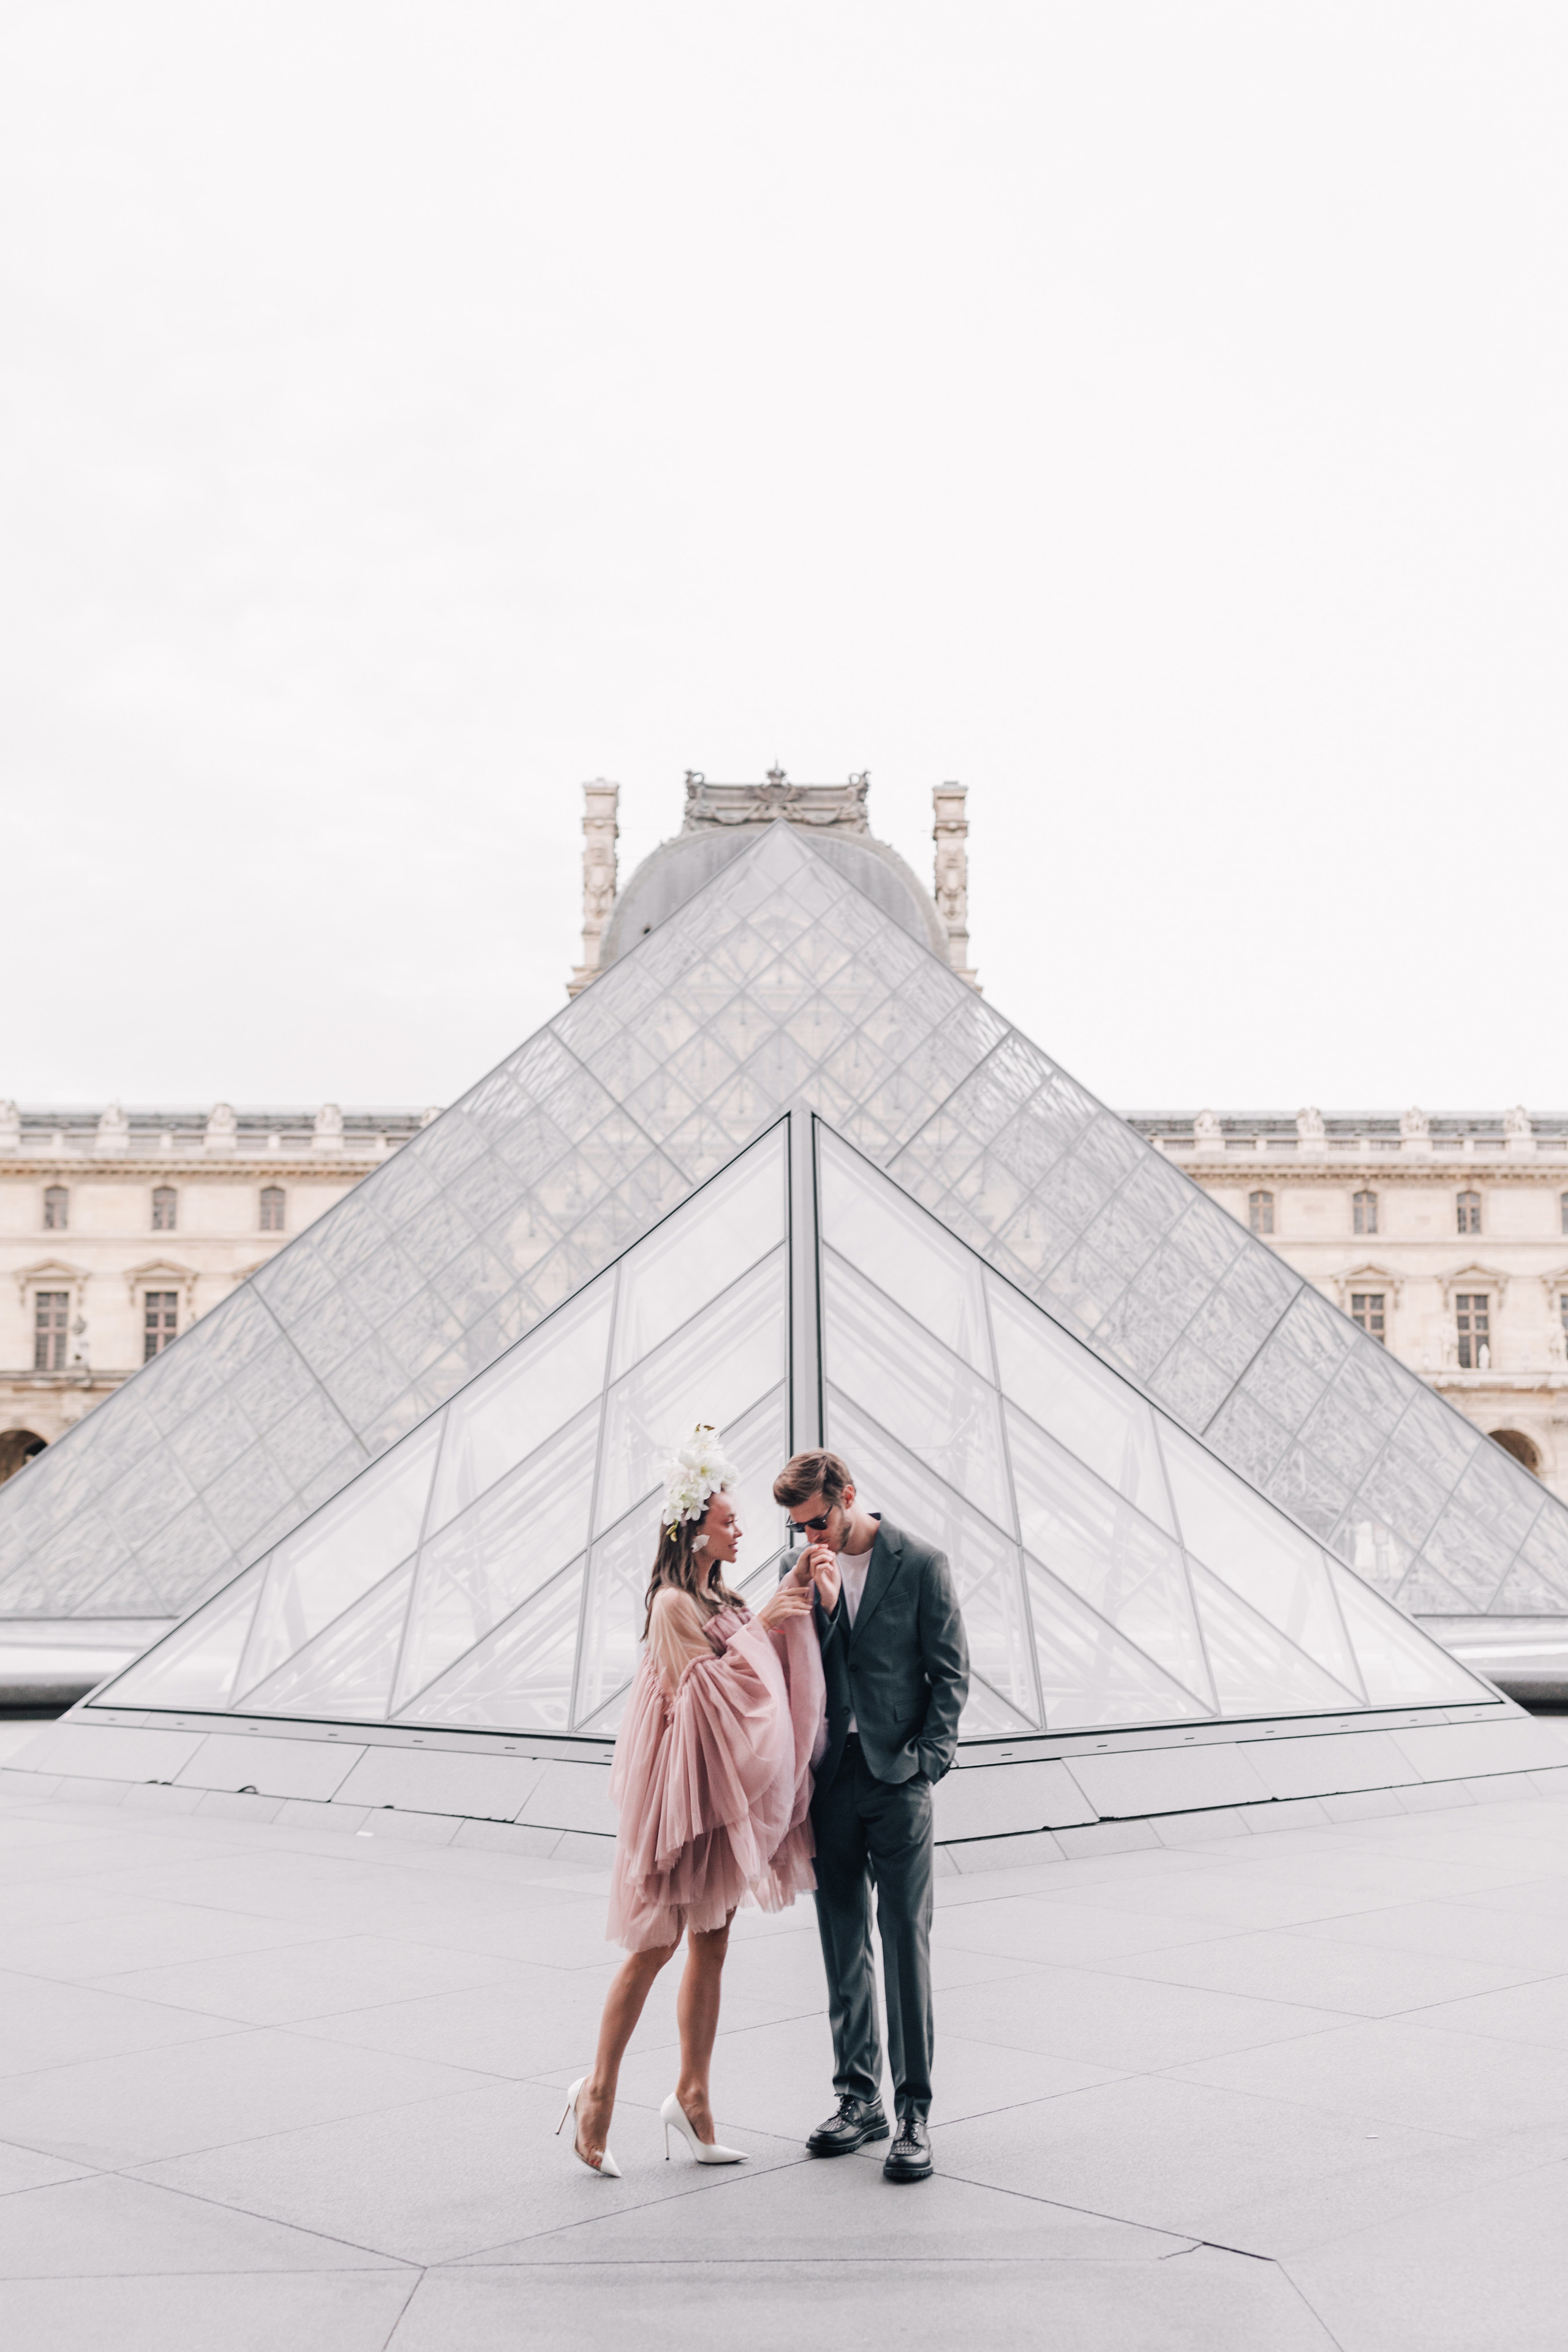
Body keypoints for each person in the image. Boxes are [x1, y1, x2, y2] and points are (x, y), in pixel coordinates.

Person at [559, 1425, 827, 2177]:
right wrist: (768, 1621)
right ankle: (598, 2092)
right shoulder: (675, 1604)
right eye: (728, 1520)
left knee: (712, 1943)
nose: (741, 1528)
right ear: (693, 1528)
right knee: (655, 1946)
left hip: (717, 1798)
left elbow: (751, 1677)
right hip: (685, 1801)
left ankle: (695, 2097)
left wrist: (779, 1604)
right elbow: (711, 1694)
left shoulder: (721, 1594)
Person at [772, 1447, 968, 2184]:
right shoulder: (800, 1570)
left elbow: (950, 1672)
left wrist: (929, 1761)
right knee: (841, 1941)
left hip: (897, 1780)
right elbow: (796, 1667)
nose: (810, 1538)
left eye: (817, 1521)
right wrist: (818, 1607)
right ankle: (858, 2100)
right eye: (798, 1529)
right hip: (830, 1780)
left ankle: (913, 2110)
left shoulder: (919, 1562)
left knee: (902, 1942)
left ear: (848, 1496)